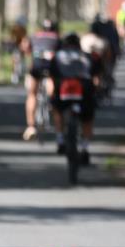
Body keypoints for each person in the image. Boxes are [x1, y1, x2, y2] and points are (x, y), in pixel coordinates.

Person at [50, 33, 98, 164]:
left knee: (57, 109)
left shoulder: (57, 56)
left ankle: (60, 139)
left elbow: (51, 74)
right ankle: (85, 148)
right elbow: (96, 75)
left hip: (63, 89)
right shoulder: (87, 56)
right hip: (85, 90)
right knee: (88, 118)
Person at [21, 19, 60, 141]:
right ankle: (60, 133)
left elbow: (25, 48)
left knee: (32, 94)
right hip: (50, 66)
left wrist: (29, 53)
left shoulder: (34, 36)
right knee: (54, 96)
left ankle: (31, 126)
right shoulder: (57, 38)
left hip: (36, 65)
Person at [9, 16, 29, 84]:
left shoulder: (23, 29)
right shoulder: (15, 29)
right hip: (15, 47)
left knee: (20, 61)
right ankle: (15, 76)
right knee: (15, 61)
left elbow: (24, 39)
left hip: (19, 47)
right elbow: (12, 38)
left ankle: (18, 75)